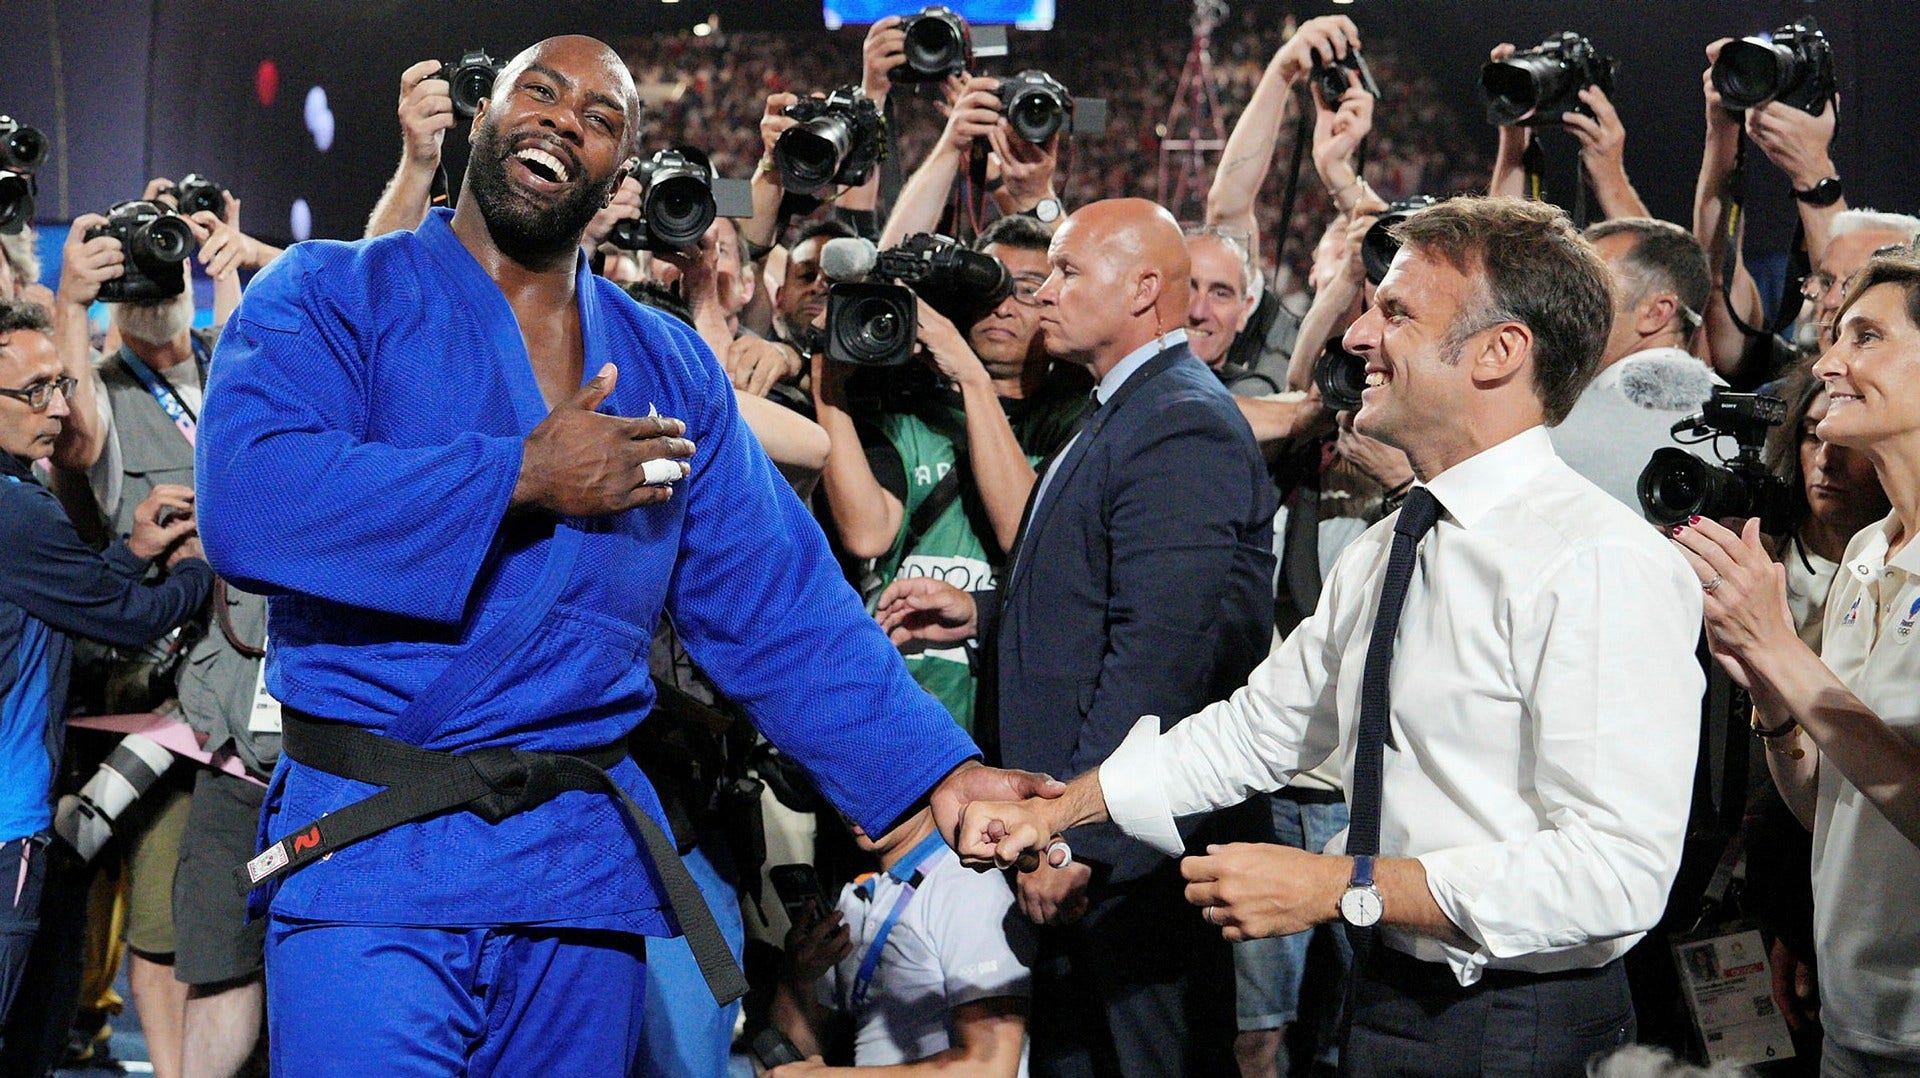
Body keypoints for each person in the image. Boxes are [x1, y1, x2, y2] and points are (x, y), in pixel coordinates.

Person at [192, 36, 1056, 1076]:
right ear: (483, 118)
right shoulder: (329, 294)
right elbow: (250, 501)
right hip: (380, 860)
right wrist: (518, 474)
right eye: (540, 93)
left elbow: (778, 604)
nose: (565, 119)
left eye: (602, 119)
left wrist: (936, 768)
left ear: (615, 177)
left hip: (573, 876)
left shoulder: (664, 364)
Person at [953, 197, 1709, 1076]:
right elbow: (1259, 729)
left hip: (1520, 1027)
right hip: (1383, 998)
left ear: (1500, 352)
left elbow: (1616, 873)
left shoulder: (1597, 562)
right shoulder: (1398, 541)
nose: (1356, 339)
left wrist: (1342, 886)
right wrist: (1062, 808)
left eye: (1395, 313)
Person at [878, 198, 1277, 1076]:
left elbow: (1163, 662)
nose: (1042, 295)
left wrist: (1080, 839)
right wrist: (985, 618)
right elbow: (1106, 600)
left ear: (1142, 290)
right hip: (1085, 851)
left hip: (1123, 867)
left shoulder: (1179, 420)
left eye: (1065, 272)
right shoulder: (1125, 407)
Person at [1675, 251, 1920, 1071]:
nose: (1829, 362)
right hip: (1856, 1022)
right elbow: (1829, 805)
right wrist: (1771, 691)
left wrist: (1782, 644)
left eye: (1867, 336)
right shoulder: (1864, 554)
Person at [0, 297, 213, 1055]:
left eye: (62, 383)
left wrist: (131, 552)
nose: (58, 408)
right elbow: (125, 618)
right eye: (34, 392)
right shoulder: (19, 510)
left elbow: (57, 598)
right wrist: (195, 572)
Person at [813, 213, 1084, 730]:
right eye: (989, 285)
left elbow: (1023, 532)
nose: (1001, 306)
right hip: (903, 710)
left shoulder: (1075, 420)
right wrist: (826, 376)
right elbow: (867, 534)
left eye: (1026, 290)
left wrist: (970, 377)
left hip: (1009, 718)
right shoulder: (909, 412)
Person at [769, 808, 1031, 1076]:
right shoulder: (856, 898)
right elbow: (802, 1056)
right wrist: (798, 979)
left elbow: (992, 1069)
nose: (851, 801)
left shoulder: (969, 885)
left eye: (873, 778)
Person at [1550, 217, 1720, 512]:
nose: (1566, 302)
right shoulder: (1751, 427)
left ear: (1657, 313)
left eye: (1590, 286)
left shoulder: (1552, 419)